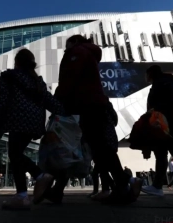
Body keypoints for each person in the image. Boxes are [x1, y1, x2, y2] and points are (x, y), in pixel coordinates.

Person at [41, 35, 142, 205]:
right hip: (91, 105)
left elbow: (69, 78)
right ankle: (58, 190)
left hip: (83, 105)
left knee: (81, 146)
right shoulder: (90, 55)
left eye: (67, 45)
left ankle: (127, 182)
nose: (65, 49)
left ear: (74, 42)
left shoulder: (77, 52)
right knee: (86, 147)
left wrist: (58, 100)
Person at [0, 48, 64, 210]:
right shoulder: (37, 82)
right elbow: (51, 102)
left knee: (15, 154)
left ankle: (33, 183)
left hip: (17, 120)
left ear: (17, 62)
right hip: (34, 123)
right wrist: (66, 112)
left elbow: (2, 99)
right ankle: (28, 192)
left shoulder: (9, 76)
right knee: (17, 155)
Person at [141, 65, 173, 197]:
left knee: (163, 154)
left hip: (166, 127)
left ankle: (157, 186)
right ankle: (157, 186)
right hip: (172, 125)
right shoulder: (166, 83)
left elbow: (158, 107)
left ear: (150, 73)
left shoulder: (160, 85)